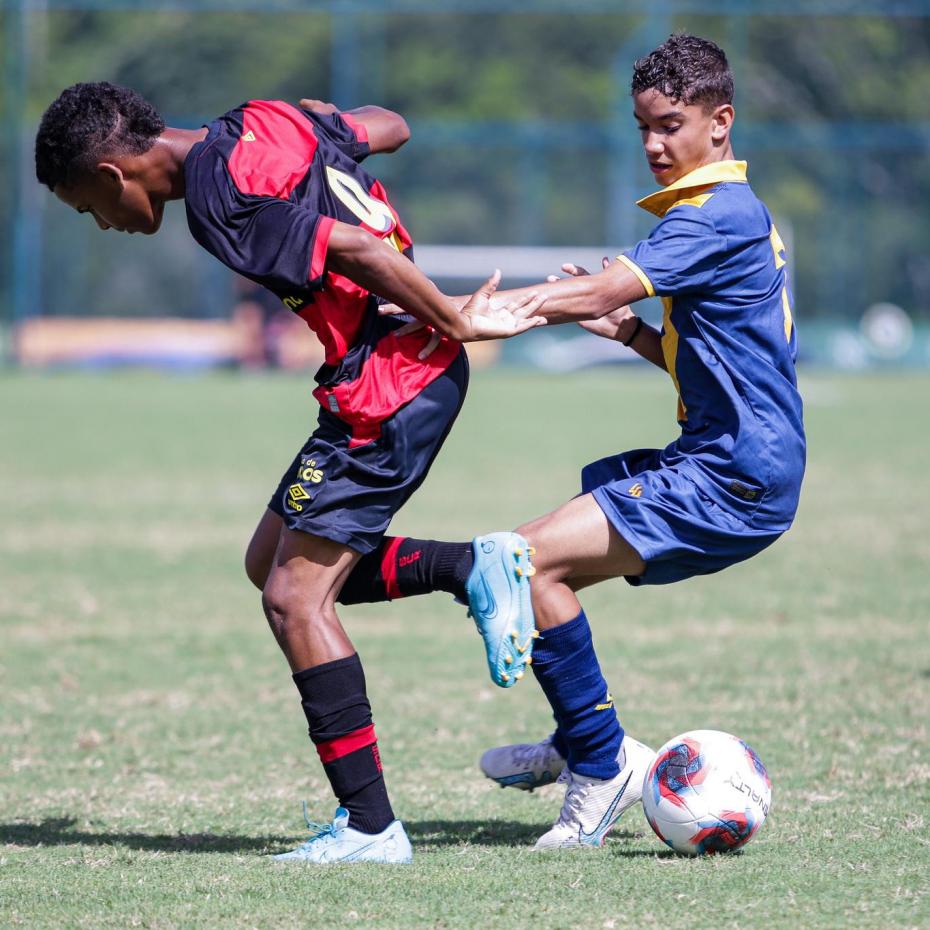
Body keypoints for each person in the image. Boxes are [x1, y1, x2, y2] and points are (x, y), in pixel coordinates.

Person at [34, 83, 546, 864]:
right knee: (264, 562)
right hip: (380, 377)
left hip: (390, 385)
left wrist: (455, 318)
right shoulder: (264, 120)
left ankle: (371, 828)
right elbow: (392, 126)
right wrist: (325, 131)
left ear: (111, 173)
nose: (104, 225)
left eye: (87, 209)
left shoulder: (218, 203)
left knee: (292, 599)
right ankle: (468, 565)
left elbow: (361, 249)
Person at [333, 33, 806, 850]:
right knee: (536, 567)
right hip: (729, 463)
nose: (655, 145)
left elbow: (604, 282)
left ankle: (597, 760)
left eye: (671, 125)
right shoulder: (729, 215)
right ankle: (587, 743)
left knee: (525, 559)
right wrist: (627, 334)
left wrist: (464, 315)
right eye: (642, 129)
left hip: (735, 476)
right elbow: (703, 358)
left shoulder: (713, 214)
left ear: (721, 122)